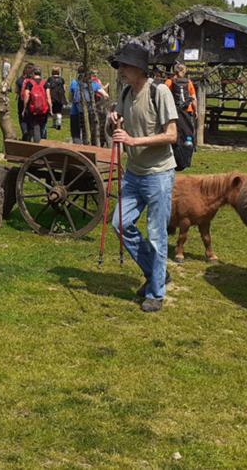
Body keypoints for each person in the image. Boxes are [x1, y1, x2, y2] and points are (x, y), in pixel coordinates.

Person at [108, 43, 178, 313]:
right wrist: (113, 121)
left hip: (159, 174)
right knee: (120, 224)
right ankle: (157, 273)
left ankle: (156, 293)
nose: (120, 71)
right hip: (133, 174)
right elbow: (117, 132)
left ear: (139, 68)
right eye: (119, 66)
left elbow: (171, 135)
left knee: (158, 235)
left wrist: (134, 140)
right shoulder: (125, 93)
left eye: (124, 66)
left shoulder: (159, 92)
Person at [69, 67, 108, 145]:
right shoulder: (93, 84)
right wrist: (97, 104)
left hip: (75, 113)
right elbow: (106, 96)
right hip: (89, 113)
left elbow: (70, 99)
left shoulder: (74, 83)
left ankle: (77, 150)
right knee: (87, 134)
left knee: (76, 135)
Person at [21, 66, 50, 143]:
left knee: (34, 125)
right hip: (44, 109)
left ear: (33, 73)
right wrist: (51, 108)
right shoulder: (45, 83)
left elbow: (26, 96)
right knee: (43, 126)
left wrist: (24, 108)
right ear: (40, 73)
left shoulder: (29, 83)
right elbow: (48, 97)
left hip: (32, 108)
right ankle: (43, 141)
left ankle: (36, 142)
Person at [16, 62, 36, 141]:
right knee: (31, 119)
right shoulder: (35, 81)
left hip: (21, 101)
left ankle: (24, 132)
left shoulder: (20, 80)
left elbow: (16, 90)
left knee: (22, 118)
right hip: (33, 102)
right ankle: (30, 135)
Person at [46, 66, 66, 130]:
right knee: (59, 111)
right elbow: (64, 88)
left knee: (53, 111)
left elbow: (48, 87)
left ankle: (54, 124)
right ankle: (59, 123)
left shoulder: (50, 79)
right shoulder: (62, 79)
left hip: (52, 97)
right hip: (60, 97)